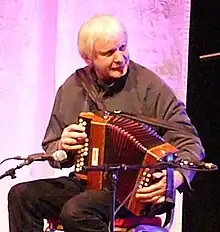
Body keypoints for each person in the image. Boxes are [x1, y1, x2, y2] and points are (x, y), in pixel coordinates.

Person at [8, 14, 205, 232]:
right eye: (109, 53)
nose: (120, 58)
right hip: (86, 185)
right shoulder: (72, 89)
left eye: (123, 47)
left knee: (76, 211)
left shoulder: (149, 86)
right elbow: (53, 148)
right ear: (88, 58)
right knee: (21, 195)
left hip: (135, 193)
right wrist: (62, 147)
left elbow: (190, 142)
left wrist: (175, 177)